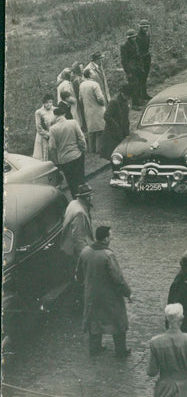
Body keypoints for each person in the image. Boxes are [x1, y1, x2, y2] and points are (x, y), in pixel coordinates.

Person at [75, 226, 131, 357]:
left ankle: (95, 348)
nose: (111, 238)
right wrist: (127, 293)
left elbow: (79, 273)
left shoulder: (85, 251)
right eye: (110, 236)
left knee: (94, 320)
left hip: (91, 295)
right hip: (109, 296)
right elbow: (118, 278)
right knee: (118, 320)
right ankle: (120, 351)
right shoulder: (108, 255)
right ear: (105, 239)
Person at [48, 105, 87, 197]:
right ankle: (84, 196)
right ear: (64, 114)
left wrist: (56, 160)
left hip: (64, 159)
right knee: (80, 179)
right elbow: (81, 138)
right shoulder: (73, 123)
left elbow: (52, 147)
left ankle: (75, 198)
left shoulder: (53, 129)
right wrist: (83, 150)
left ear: (55, 116)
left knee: (71, 181)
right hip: (77, 155)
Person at [61, 183, 95, 261]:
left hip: (68, 245)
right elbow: (78, 238)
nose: (92, 197)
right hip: (75, 251)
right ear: (87, 197)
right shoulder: (80, 213)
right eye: (90, 195)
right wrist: (85, 258)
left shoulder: (73, 203)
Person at [99, 85, 131, 161]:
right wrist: (116, 125)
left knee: (124, 150)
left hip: (122, 129)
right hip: (112, 132)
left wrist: (127, 134)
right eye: (127, 96)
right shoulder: (114, 102)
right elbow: (106, 116)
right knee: (113, 153)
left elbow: (126, 117)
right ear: (122, 93)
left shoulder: (125, 101)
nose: (129, 98)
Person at [79, 68, 106, 154]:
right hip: (97, 110)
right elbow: (100, 98)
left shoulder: (81, 85)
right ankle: (99, 149)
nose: (94, 74)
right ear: (90, 75)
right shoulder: (95, 84)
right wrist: (103, 103)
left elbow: (80, 99)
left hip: (87, 110)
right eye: (93, 73)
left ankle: (91, 149)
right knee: (100, 130)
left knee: (91, 131)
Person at [120, 29, 144, 108]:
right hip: (131, 68)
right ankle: (134, 104)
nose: (134, 38)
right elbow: (124, 60)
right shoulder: (124, 46)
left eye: (135, 36)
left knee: (139, 84)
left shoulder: (135, 43)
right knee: (133, 86)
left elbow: (138, 54)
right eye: (133, 37)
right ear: (129, 38)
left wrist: (141, 65)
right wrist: (128, 72)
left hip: (138, 67)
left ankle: (139, 101)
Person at [33, 94, 56, 161]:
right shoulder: (39, 112)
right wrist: (48, 135)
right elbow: (39, 127)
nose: (49, 104)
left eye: (50, 102)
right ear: (43, 103)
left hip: (54, 134)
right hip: (43, 136)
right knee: (43, 155)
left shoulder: (55, 110)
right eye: (46, 102)